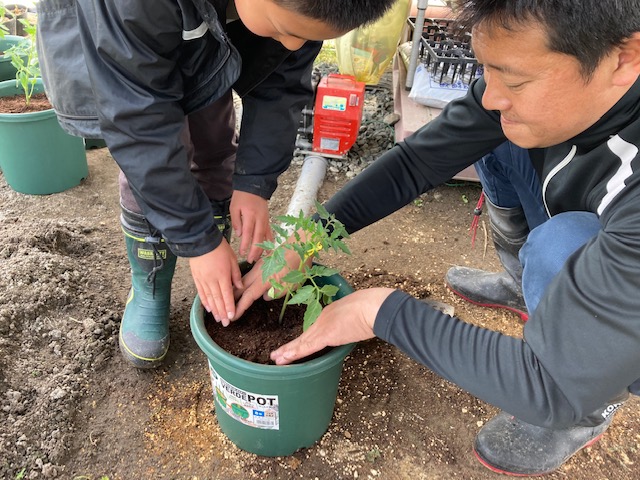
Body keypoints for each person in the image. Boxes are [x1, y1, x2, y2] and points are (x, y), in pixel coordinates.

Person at [235, 0, 640, 475]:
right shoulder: (548, 89)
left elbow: (551, 385)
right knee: (499, 136)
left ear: (624, 58)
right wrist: (309, 237)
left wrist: (380, 312)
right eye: (488, 70)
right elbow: (417, 162)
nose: (491, 95)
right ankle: (525, 283)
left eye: (514, 80)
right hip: (587, 207)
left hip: (607, 333)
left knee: (561, 246)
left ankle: (586, 415)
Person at [36, 0, 395, 368]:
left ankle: (215, 252)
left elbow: (282, 83)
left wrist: (255, 182)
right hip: (118, 48)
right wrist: (197, 241)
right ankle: (151, 285)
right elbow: (139, 125)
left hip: (207, 33)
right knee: (152, 163)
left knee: (213, 138)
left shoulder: (307, 9)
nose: (291, 45)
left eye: (306, 39)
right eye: (286, 31)